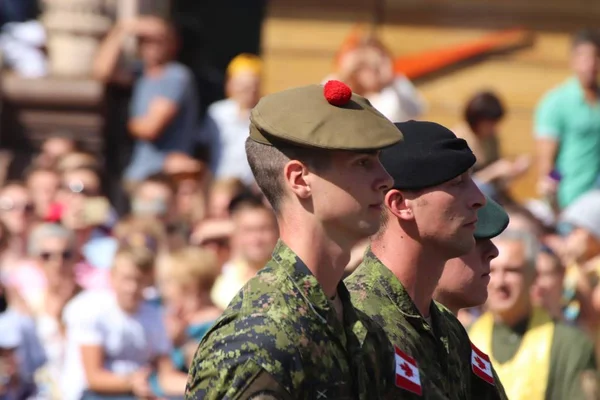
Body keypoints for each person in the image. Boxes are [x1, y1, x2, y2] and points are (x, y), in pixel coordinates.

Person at [185, 80, 403, 399]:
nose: (386, 179)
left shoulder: (356, 322)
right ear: (300, 180)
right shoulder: (257, 337)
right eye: (363, 163)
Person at [345, 121, 507, 399]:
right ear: (400, 205)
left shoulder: (449, 330)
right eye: (457, 182)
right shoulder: (354, 325)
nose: (479, 198)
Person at [469, 229, 597, 400]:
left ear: (534, 276)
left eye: (512, 271)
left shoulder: (568, 344)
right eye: (492, 270)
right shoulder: (462, 336)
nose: (500, 282)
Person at [93, 16, 200, 185]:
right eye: (145, 41)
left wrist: (123, 123)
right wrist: (123, 28)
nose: (152, 47)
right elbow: (102, 72)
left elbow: (150, 128)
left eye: (159, 40)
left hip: (163, 176)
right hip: (138, 172)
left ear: (172, 43)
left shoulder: (176, 76)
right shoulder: (139, 74)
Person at [535, 30, 600, 210]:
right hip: (570, 200)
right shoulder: (557, 102)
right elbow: (547, 161)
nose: (591, 64)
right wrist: (554, 199)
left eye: (596, 57)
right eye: (584, 57)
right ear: (573, 60)